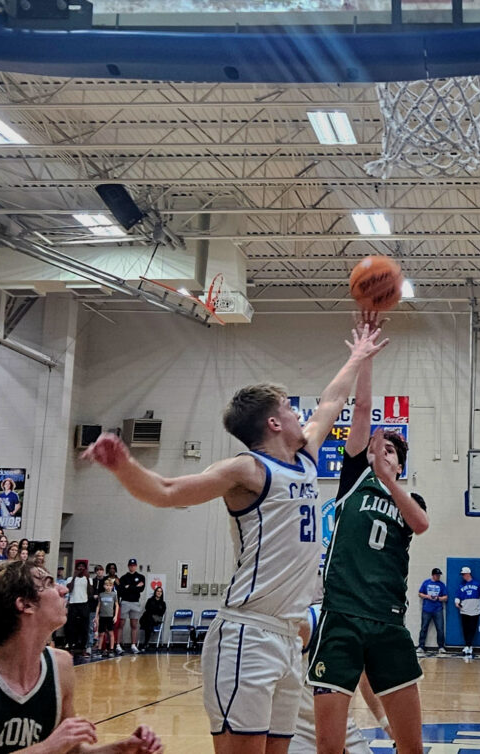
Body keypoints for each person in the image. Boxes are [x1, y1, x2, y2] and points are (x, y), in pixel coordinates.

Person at [80, 320, 386, 754]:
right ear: (274, 422)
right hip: (248, 634)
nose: (301, 414)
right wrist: (123, 466)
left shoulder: (306, 457)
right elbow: (168, 492)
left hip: (286, 638)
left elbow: (333, 401)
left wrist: (359, 356)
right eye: (289, 407)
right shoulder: (248, 470)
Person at [307, 320, 429, 754]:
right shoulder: (355, 479)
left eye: (393, 450)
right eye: (381, 446)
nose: (383, 451)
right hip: (341, 614)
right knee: (329, 749)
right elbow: (361, 410)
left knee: (410, 747)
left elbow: (420, 525)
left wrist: (390, 482)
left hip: (387, 620)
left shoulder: (409, 497)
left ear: (400, 464)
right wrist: (366, 359)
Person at [0, 560, 163, 753]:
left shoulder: (60, 665)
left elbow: (71, 752)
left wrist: (121, 750)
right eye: (48, 583)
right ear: (25, 604)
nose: (63, 588)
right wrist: (48, 748)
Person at [292, 603, 387, 754]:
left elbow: (365, 676)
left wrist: (386, 723)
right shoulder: (309, 622)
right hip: (298, 731)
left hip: (342, 727)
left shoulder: (363, 623)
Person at [117, 558, 146, 653]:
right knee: (121, 624)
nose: (132, 567)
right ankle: (118, 644)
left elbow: (141, 589)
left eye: (133, 565)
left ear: (136, 566)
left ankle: (133, 645)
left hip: (135, 602)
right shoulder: (123, 578)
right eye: (130, 565)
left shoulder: (141, 577)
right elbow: (121, 590)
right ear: (128, 566)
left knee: (134, 624)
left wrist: (129, 587)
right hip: (125, 601)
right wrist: (135, 586)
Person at [454, 566, 480, 657]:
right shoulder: (461, 585)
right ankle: (467, 645)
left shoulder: (477, 584)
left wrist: (476, 604)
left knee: (472, 628)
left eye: (463, 574)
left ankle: (469, 645)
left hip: (475, 611)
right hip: (464, 610)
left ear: (468, 574)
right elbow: (457, 596)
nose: (463, 576)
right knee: (465, 629)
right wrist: (457, 603)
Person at [417, 568, 448, 656]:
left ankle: (441, 646)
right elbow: (420, 594)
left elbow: (445, 597)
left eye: (439, 575)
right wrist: (427, 596)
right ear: (433, 575)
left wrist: (438, 598)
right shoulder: (426, 583)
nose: (438, 576)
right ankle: (421, 646)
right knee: (424, 628)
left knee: (440, 629)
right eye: (437, 575)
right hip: (427, 609)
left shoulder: (442, 585)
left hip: (437, 609)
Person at [65, 562, 93, 656]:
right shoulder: (70, 579)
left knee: (84, 627)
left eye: (82, 567)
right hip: (73, 604)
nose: (81, 569)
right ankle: (71, 647)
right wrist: (74, 577)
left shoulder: (88, 579)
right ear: (76, 569)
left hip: (84, 604)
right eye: (79, 567)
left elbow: (90, 593)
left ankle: (83, 648)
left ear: (85, 569)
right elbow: (69, 589)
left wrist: (88, 579)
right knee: (71, 626)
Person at [96, 577, 120, 656]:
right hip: (102, 616)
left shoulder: (114, 594)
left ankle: (111, 649)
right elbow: (99, 605)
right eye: (106, 585)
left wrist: (115, 616)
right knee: (101, 633)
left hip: (110, 616)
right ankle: (99, 649)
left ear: (112, 586)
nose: (108, 587)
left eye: (110, 585)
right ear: (104, 586)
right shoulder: (101, 594)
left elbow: (116, 605)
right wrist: (96, 616)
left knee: (111, 633)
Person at [140, 586, 167, 650]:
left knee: (148, 623)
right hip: (147, 618)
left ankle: (145, 643)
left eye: (160, 591)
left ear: (162, 593)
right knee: (148, 620)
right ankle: (150, 631)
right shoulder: (150, 600)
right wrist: (156, 610)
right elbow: (147, 608)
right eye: (158, 591)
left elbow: (161, 613)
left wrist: (153, 610)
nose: (159, 593)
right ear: (155, 592)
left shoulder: (163, 603)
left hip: (156, 619)